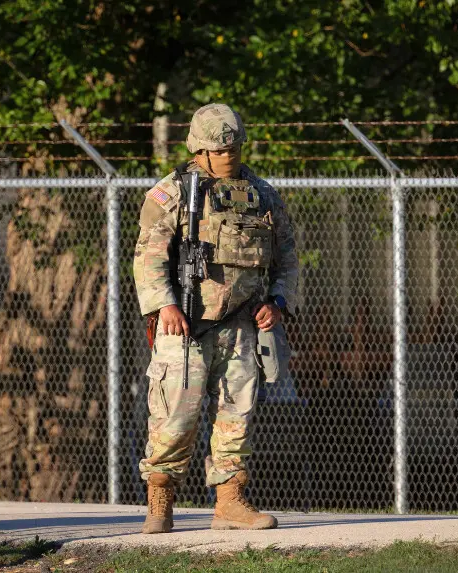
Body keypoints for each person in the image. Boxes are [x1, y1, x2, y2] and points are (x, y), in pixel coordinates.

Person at [133, 103, 298, 533]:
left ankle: (229, 502)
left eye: (235, 147)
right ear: (199, 151)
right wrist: (165, 305)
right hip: (184, 324)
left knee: (236, 416)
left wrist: (276, 302)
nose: (230, 155)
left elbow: (287, 257)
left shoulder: (262, 194)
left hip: (242, 324)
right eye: (220, 149)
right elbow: (148, 256)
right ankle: (160, 502)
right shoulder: (171, 194)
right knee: (176, 417)